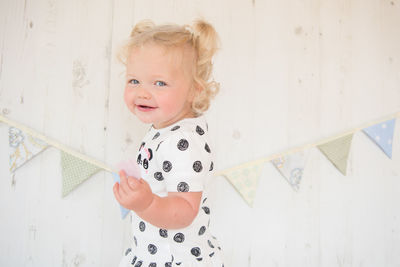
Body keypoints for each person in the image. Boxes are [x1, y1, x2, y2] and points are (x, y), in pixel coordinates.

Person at [113, 19, 224, 267]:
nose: (142, 92)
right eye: (134, 81)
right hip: (156, 252)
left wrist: (147, 203)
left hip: (173, 259)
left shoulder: (182, 141)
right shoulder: (167, 129)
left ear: (195, 90)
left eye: (159, 83)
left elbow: (184, 210)